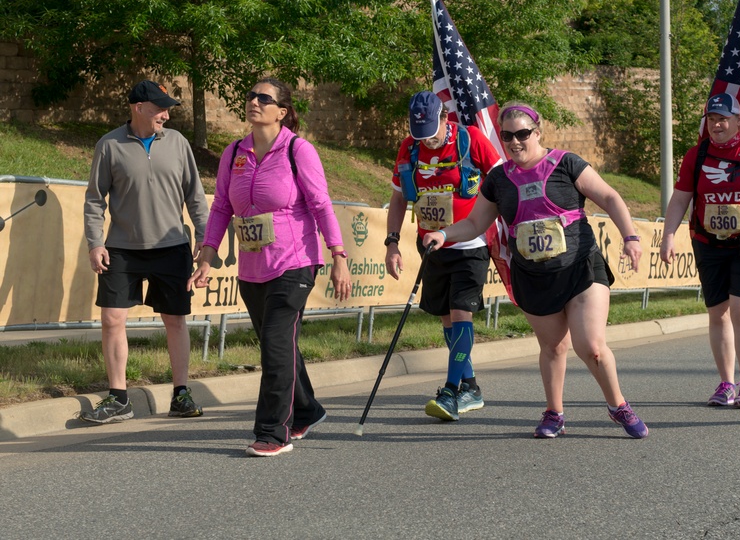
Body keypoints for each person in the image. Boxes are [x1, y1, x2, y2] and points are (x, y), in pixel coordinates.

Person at [422, 103, 649, 439]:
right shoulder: (498, 179)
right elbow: (474, 223)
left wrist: (630, 237)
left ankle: (618, 406)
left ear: (537, 132)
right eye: (508, 136)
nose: (515, 142)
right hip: (533, 274)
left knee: (591, 346)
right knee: (554, 347)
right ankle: (554, 413)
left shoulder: (565, 163)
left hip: (579, 266)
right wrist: (443, 234)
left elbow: (610, 197)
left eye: (523, 134)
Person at [189, 78, 351, 457]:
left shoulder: (298, 149)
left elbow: (321, 204)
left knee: (275, 346)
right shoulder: (234, 153)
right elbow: (221, 209)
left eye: (265, 98)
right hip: (252, 266)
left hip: (294, 263)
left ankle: (272, 432)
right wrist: (207, 257)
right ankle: (307, 410)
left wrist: (338, 255)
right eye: (251, 95)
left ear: (282, 111)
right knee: (278, 345)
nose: (254, 102)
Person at [82, 79, 209, 424]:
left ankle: (181, 394)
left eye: (167, 109)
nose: (166, 115)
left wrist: (205, 239)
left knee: (175, 321)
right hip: (121, 249)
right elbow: (95, 200)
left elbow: (196, 197)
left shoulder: (179, 144)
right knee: (112, 320)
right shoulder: (109, 145)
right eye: (159, 108)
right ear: (139, 108)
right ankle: (118, 398)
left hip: (172, 248)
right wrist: (95, 243)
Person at [659, 93, 740, 409]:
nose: (717, 124)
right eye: (712, 118)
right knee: (718, 313)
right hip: (709, 242)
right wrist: (668, 235)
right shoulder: (696, 155)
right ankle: (726, 383)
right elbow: (680, 199)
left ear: (739, 122)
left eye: (723, 118)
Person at [385, 90, 502, 421]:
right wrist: (392, 243)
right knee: (447, 319)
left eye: (433, 134)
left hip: (470, 244)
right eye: (421, 135)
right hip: (433, 246)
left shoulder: (470, 139)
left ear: (444, 117)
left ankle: (451, 392)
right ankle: (471, 387)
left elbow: (502, 179)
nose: (429, 142)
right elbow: (397, 198)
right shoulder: (409, 148)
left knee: (461, 312)